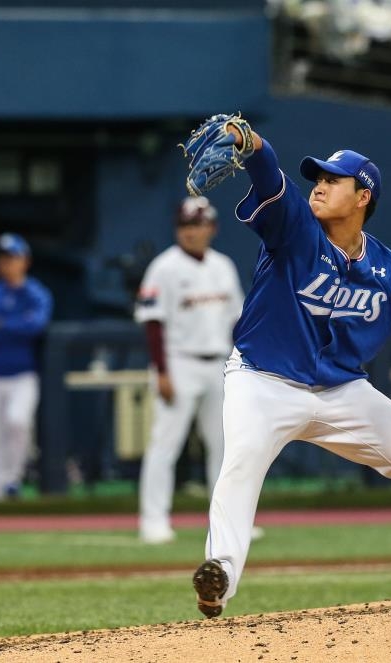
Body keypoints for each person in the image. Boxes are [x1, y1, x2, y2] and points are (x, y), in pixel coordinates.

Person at [184, 116, 391, 618]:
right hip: (262, 380)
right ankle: (219, 575)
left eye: (334, 180)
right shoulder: (295, 229)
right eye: (319, 177)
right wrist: (256, 144)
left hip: (343, 392)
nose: (320, 186)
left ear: (362, 199)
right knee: (241, 461)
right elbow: (270, 178)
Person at [134, 196, 247, 544]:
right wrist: (162, 372)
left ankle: (227, 524)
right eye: (185, 225)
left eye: (197, 224)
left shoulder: (223, 266)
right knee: (165, 444)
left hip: (219, 363)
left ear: (211, 227)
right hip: (179, 362)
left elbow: (237, 322)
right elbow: (153, 323)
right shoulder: (164, 267)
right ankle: (153, 521)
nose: (191, 232)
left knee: (225, 447)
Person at [0, 233, 53, 501]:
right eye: (4, 259)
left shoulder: (36, 293)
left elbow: (36, 326)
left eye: (14, 258)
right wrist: (16, 325)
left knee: (17, 423)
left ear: (25, 261)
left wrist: (1, 325)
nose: (8, 264)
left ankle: (11, 481)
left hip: (23, 375)